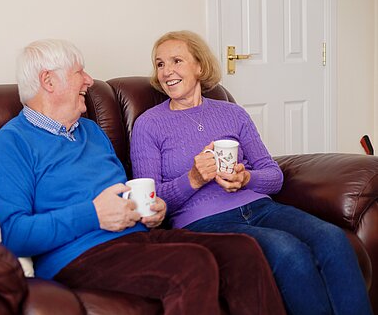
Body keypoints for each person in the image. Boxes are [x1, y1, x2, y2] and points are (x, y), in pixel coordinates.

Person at [0, 38, 286, 315]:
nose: (89, 81)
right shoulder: (13, 142)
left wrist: (153, 211)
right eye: (80, 72)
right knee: (191, 265)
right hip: (78, 255)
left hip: (137, 238)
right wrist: (93, 215)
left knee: (242, 250)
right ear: (49, 81)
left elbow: (127, 194)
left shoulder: (91, 131)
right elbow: (14, 234)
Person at [130, 30, 372, 315]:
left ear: (199, 65)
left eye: (176, 61)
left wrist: (247, 178)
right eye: (160, 64)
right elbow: (151, 203)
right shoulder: (149, 125)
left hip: (258, 207)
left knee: (332, 238)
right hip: (202, 222)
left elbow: (273, 175)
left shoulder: (232, 114)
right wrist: (193, 179)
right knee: (288, 250)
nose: (167, 71)